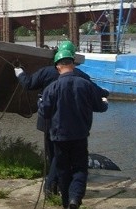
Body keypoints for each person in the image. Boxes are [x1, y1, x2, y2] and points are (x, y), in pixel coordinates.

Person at [14, 41, 95, 195]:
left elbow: (28, 83)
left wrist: (19, 72)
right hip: (72, 124)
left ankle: (52, 186)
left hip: (49, 120)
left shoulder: (46, 72)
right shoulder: (81, 76)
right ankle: (59, 187)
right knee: (67, 158)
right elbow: (95, 95)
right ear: (73, 58)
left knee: (54, 155)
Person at [37, 45, 109, 209]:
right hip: (79, 135)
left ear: (58, 66)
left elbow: (44, 112)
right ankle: (74, 199)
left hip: (59, 137)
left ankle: (65, 202)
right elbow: (100, 106)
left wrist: (40, 102)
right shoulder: (85, 84)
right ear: (73, 64)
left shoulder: (51, 88)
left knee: (62, 170)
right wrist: (105, 102)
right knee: (79, 169)